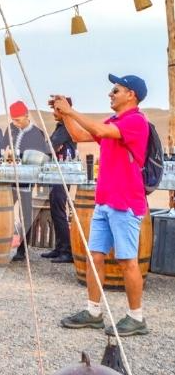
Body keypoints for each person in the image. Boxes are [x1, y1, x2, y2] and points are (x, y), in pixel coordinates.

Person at [57, 75, 151, 336]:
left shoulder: (135, 121)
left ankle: (136, 317)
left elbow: (99, 131)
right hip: (105, 201)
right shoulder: (114, 122)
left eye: (115, 90)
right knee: (95, 256)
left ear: (131, 94)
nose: (110, 94)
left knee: (127, 260)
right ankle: (93, 312)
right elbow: (79, 134)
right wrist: (64, 115)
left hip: (125, 202)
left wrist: (71, 110)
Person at [6, 100, 51, 263]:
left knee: (25, 214)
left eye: (18, 120)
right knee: (4, 210)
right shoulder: (11, 129)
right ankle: (2, 244)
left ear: (26, 116)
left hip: (26, 179)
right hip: (9, 178)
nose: (15, 123)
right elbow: (4, 148)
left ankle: (22, 249)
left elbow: (40, 157)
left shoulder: (37, 133)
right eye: (13, 120)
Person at [43, 99, 76, 264]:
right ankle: (59, 247)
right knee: (55, 210)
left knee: (59, 211)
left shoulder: (67, 128)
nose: (53, 112)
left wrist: (51, 147)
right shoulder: (60, 127)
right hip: (56, 173)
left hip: (63, 174)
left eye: (57, 109)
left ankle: (67, 251)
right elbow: (49, 146)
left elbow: (49, 146)